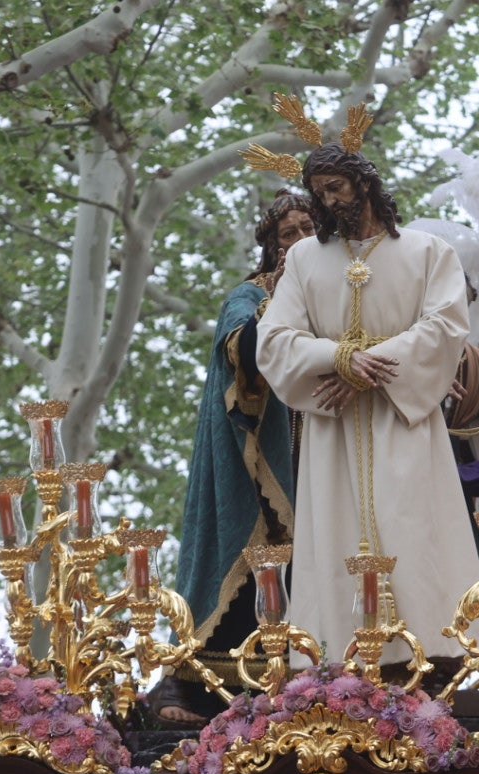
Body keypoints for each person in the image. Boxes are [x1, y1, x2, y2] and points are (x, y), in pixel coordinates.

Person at [256, 142, 479, 665]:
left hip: (403, 421)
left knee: (412, 525)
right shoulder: (304, 259)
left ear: (365, 184)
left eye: (336, 187)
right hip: (332, 427)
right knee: (336, 535)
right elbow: (274, 339)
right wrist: (337, 357)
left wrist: (366, 370)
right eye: (319, 193)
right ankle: (337, 660)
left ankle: (427, 653)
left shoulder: (428, 252)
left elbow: (446, 327)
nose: (328, 201)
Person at [156, 191, 314, 724]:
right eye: (288, 234)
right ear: (271, 248)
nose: (299, 241)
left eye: (309, 229)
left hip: (319, 453)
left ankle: (302, 681)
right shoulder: (251, 294)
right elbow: (238, 344)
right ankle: (193, 684)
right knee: (241, 558)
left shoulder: (340, 298)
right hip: (253, 453)